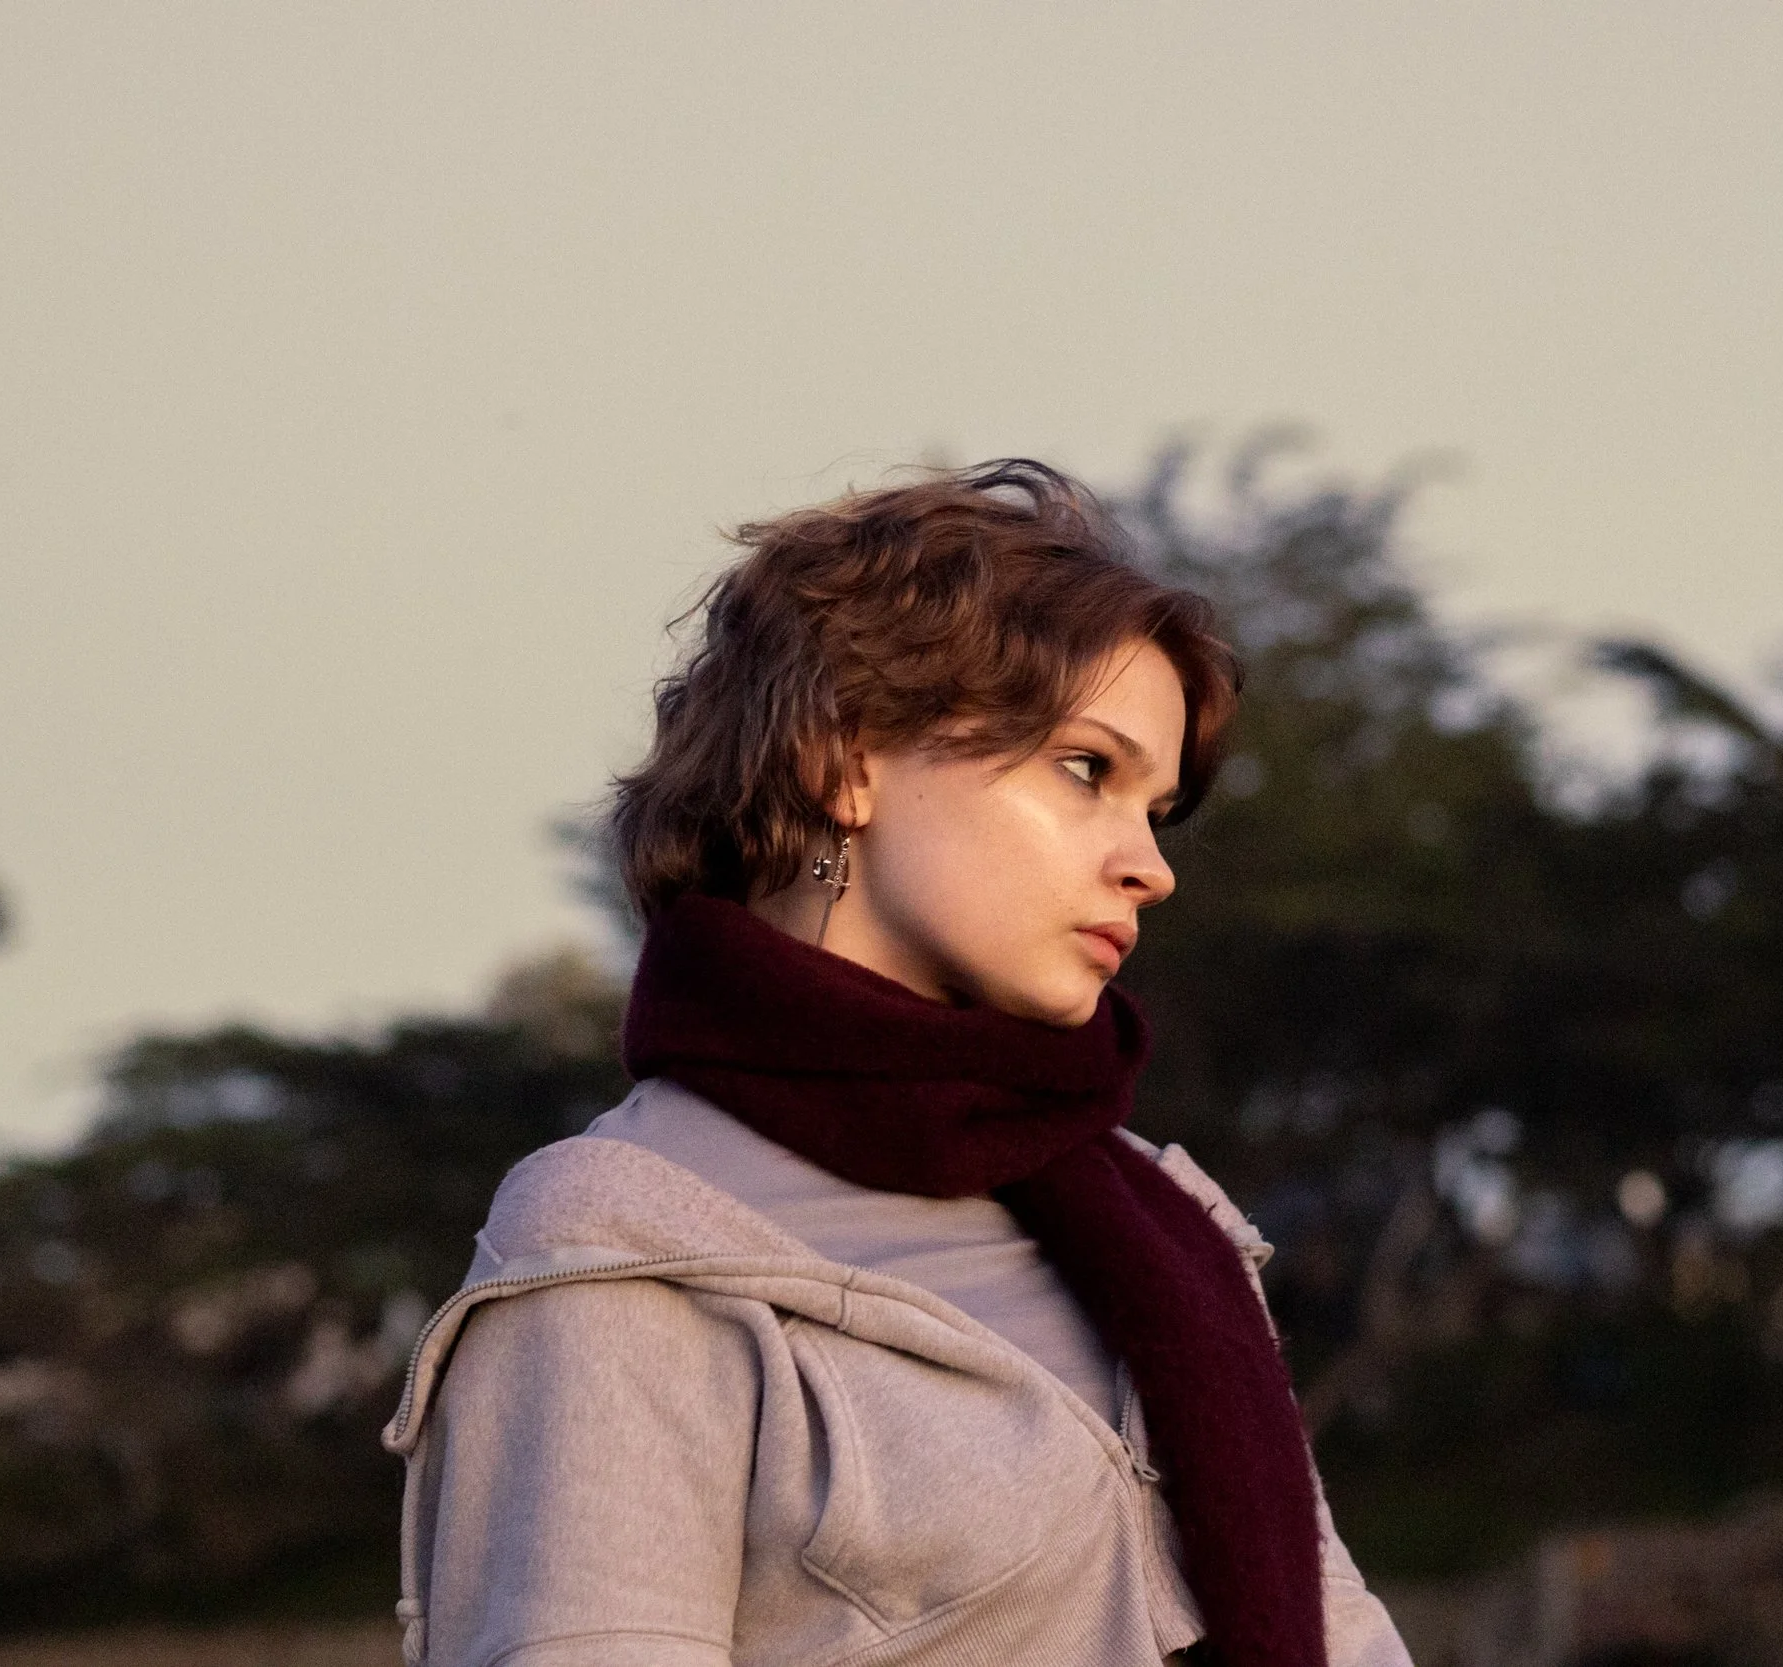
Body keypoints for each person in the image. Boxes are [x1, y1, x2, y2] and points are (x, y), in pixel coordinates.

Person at [384, 461, 1412, 1667]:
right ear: (844, 757)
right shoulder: (622, 1250)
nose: (1150, 864)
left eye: (1158, 807)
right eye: (1087, 770)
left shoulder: (1170, 1223)